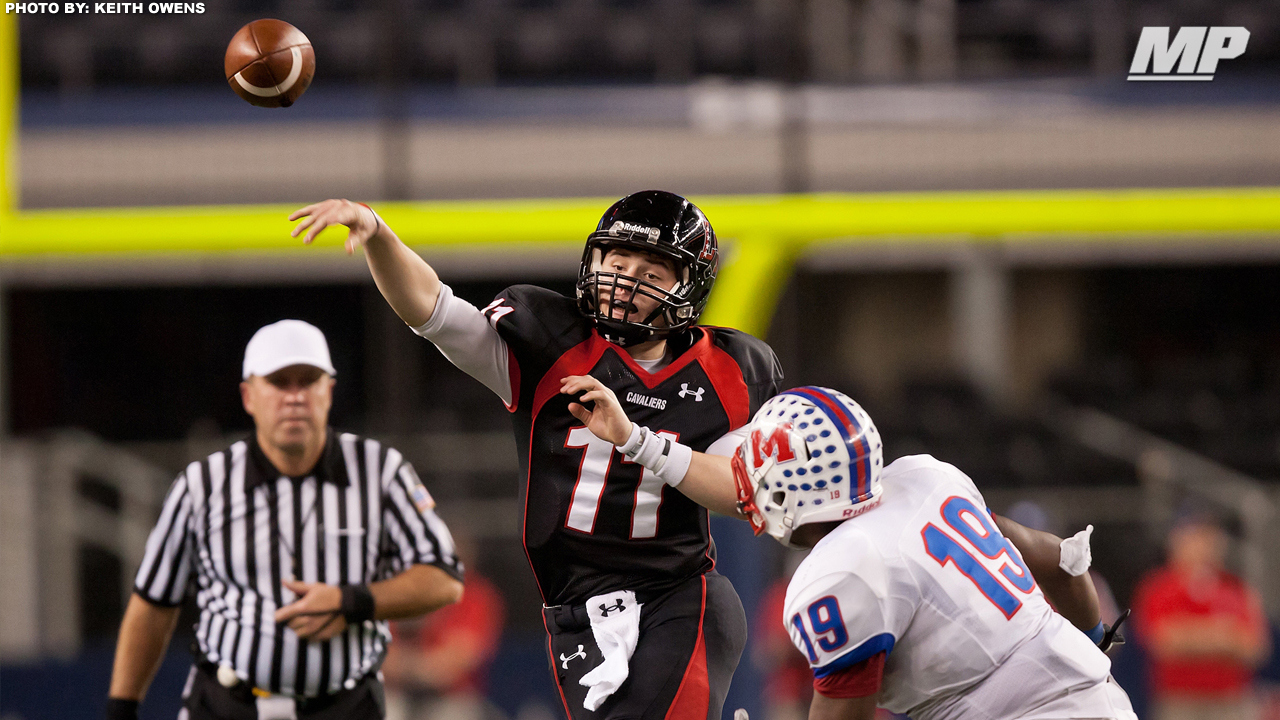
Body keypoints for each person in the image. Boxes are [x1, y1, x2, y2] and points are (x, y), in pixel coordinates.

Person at [290, 191, 784, 720]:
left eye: (651, 270)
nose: (626, 279)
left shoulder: (730, 370)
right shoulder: (550, 339)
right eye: (616, 261)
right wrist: (379, 233)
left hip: (679, 597)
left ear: (690, 285)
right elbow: (431, 309)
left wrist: (636, 439)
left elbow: (740, 492)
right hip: (575, 616)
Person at [106, 319, 465, 720]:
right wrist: (122, 708)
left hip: (345, 707)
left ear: (328, 391)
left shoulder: (380, 472)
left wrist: (353, 601)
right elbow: (153, 601)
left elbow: (444, 578)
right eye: (279, 382)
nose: (294, 397)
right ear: (248, 396)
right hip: (227, 706)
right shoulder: (202, 485)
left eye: (307, 381)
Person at [732, 386, 1136, 720]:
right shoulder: (925, 477)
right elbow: (1062, 560)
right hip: (1100, 698)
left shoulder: (840, 569)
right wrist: (1093, 641)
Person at [1132, 509, 1271, 720]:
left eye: (1208, 537)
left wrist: (1190, 634)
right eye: (1194, 536)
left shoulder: (1236, 588)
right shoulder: (1158, 587)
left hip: (1232, 701)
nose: (1203, 545)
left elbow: (1256, 648)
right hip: (1179, 701)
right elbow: (1163, 642)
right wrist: (1224, 635)